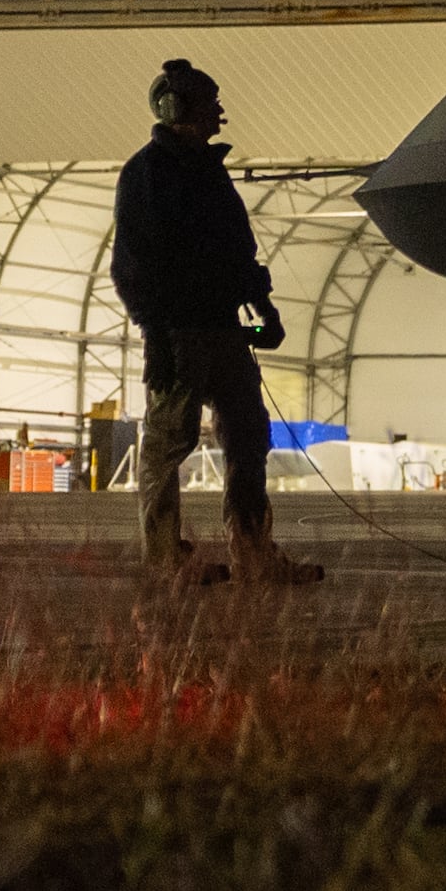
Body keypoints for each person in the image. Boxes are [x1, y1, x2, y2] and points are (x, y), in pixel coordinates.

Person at [109, 57, 321, 584]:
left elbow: (238, 254)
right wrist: (155, 336)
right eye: (210, 102)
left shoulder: (211, 176)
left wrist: (262, 310)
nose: (219, 112)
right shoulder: (146, 175)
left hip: (225, 330)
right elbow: (134, 265)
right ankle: (165, 560)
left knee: (249, 438)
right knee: (167, 444)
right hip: (178, 334)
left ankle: (253, 554)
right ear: (177, 108)